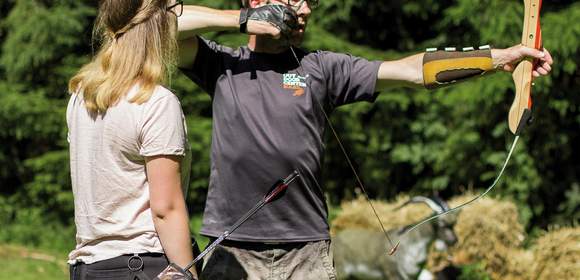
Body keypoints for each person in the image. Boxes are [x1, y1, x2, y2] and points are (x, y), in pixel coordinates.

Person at [176, 1, 553, 279]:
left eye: (312, 2)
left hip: (306, 253)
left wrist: (500, 58)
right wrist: (243, 21)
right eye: (297, 0)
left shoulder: (321, 68)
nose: (307, 10)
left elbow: (411, 70)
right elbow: (154, 25)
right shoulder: (222, 64)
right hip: (231, 249)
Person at [66, 0, 198, 279]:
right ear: (160, 25)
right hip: (141, 265)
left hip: (88, 267)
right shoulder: (157, 103)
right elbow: (166, 210)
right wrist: (187, 273)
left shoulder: (80, 96)